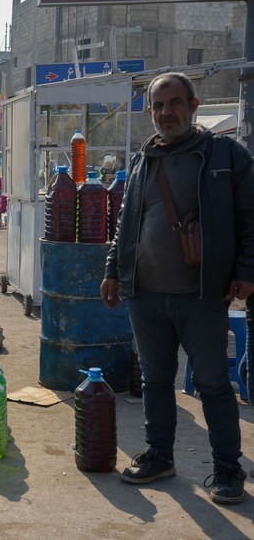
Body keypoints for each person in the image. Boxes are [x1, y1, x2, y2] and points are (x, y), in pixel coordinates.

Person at [101, 72, 254, 505]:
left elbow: (249, 217)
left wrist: (246, 268)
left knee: (213, 384)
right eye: (158, 106)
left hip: (203, 293)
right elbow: (125, 224)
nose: (167, 112)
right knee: (154, 380)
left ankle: (227, 469)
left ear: (193, 105)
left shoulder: (225, 155)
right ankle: (160, 456)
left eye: (175, 103)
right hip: (145, 293)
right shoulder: (141, 160)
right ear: (150, 111)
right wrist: (113, 270)